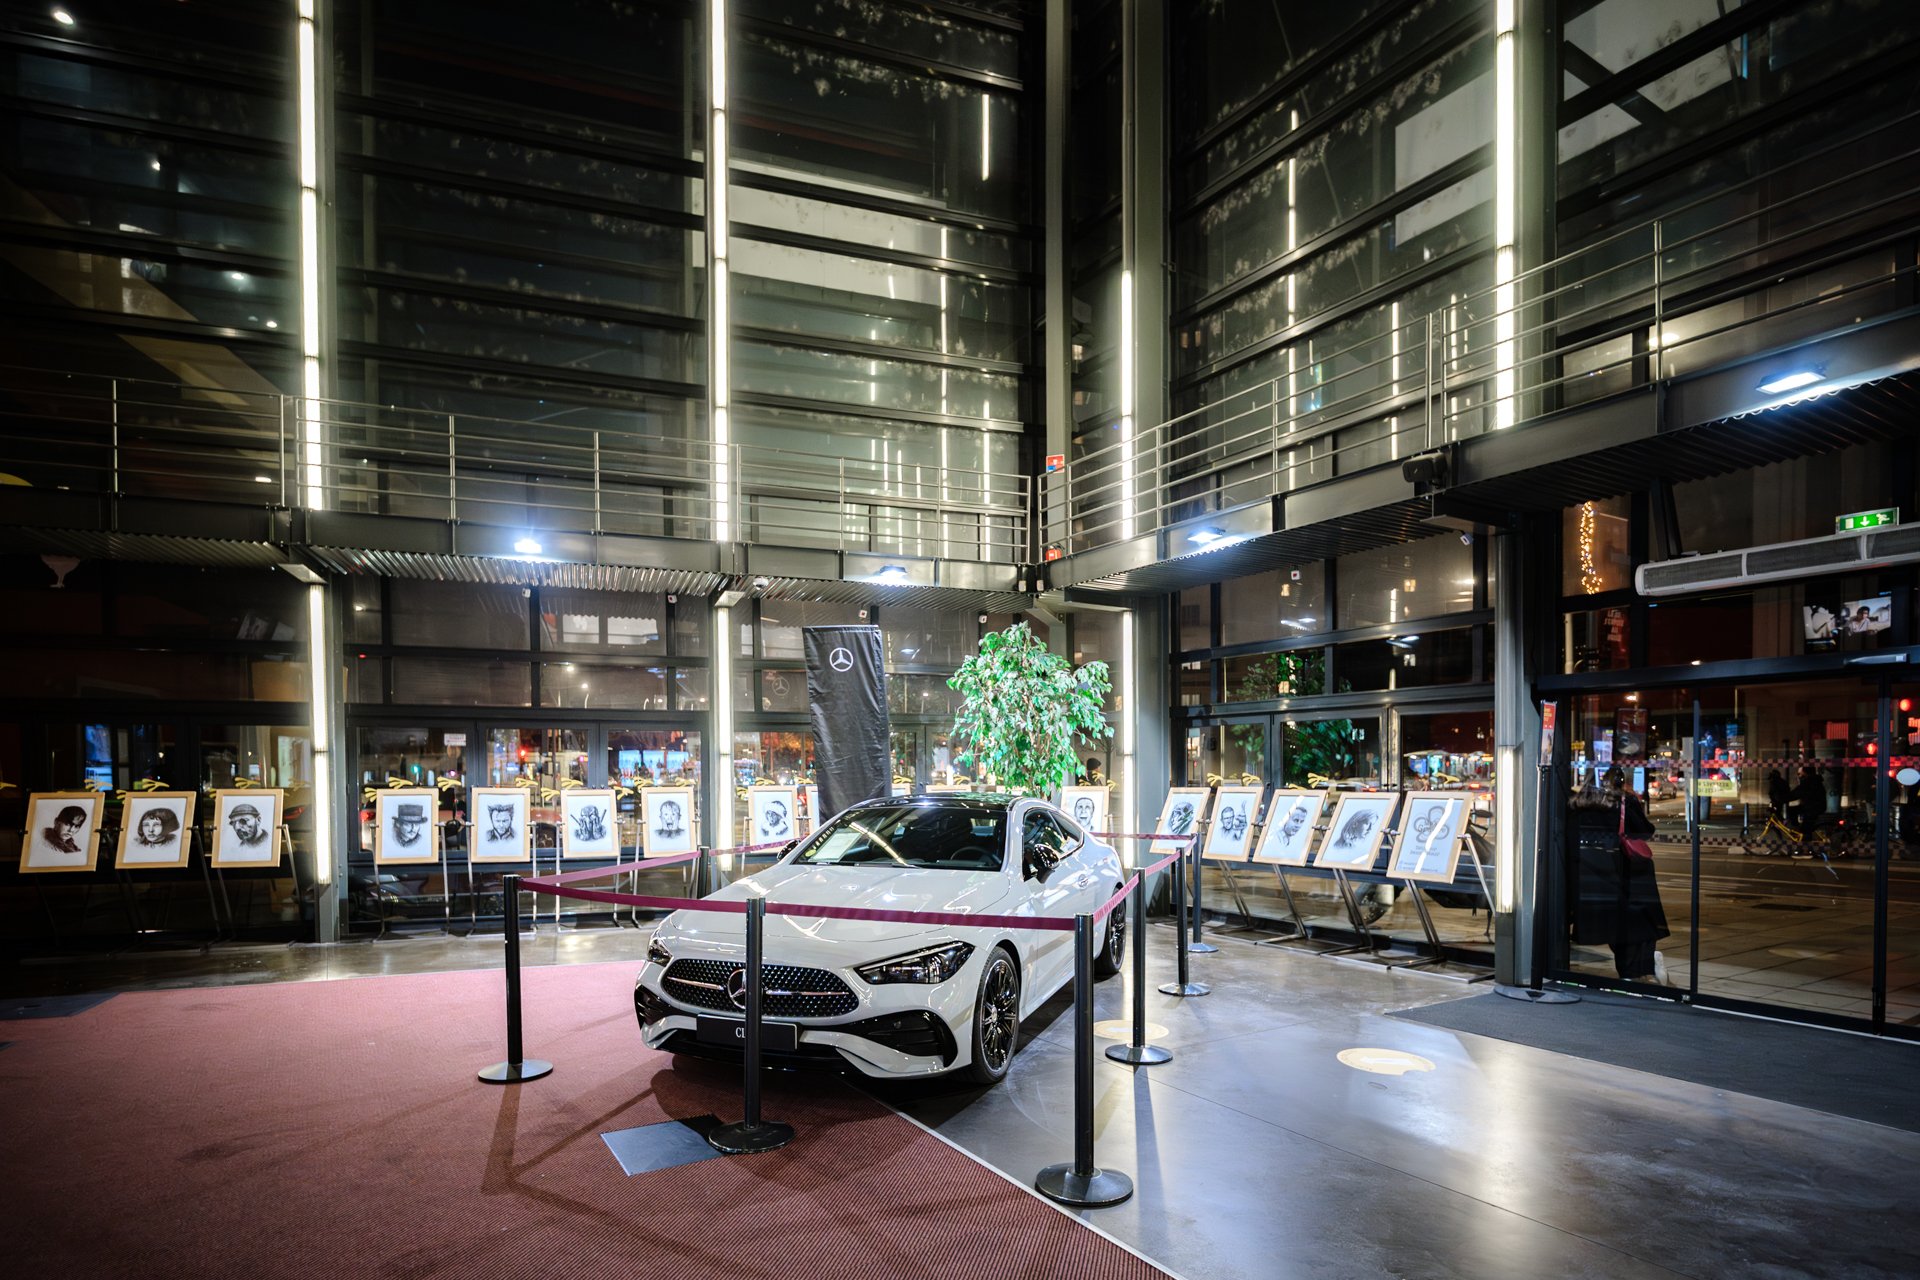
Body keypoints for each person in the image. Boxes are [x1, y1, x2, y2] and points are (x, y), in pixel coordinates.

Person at [1570, 766, 1669, 982]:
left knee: (1614, 926)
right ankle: (1638, 970)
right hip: (1627, 870)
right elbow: (1645, 831)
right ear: (1619, 781)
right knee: (1639, 924)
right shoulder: (1623, 802)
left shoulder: (1577, 803)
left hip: (1593, 874)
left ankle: (1632, 971)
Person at [1790, 766, 1826, 842]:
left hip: (1813, 807)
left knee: (1805, 828)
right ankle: (1799, 832)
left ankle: (1805, 842)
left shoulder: (1809, 781)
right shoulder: (1813, 780)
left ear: (1805, 773)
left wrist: (1783, 798)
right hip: (1813, 806)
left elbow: (1797, 793)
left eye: (1799, 774)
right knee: (1793, 810)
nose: (1798, 776)